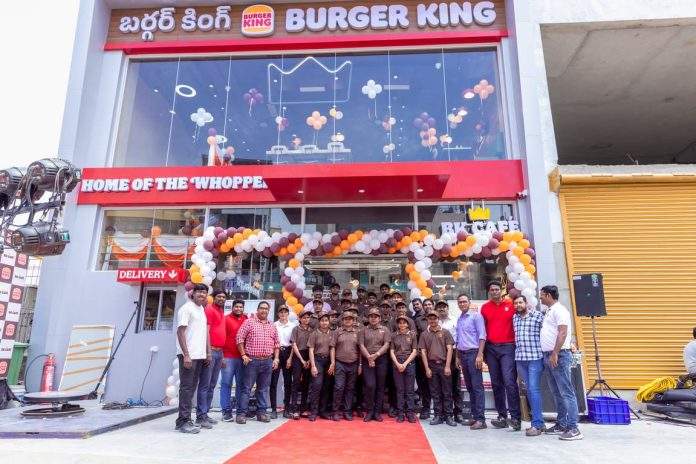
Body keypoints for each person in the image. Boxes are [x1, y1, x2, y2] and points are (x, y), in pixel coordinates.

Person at [539, 285, 583, 441]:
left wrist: (555, 353)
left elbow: (562, 332)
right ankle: (561, 424)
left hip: (559, 356)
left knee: (566, 392)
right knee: (556, 392)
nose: (540, 297)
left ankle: (574, 428)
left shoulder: (560, 310)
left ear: (549, 295)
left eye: (542, 295)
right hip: (549, 355)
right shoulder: (549, 310)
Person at [480, 280, 521, 430]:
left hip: (508, 347)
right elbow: (483, 329)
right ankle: (502, 416)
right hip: (491, 348)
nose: (494, 292)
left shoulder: (511, 305)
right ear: (489, 292)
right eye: (492, 290)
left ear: (501, 290)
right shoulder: (484, 308)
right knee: (496, 383)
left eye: (497, 289)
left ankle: (515, 418)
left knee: (509, 382)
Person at [235, 301, 280, 424]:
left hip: (267, 361)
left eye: (266, 309)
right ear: (258, 309)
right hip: (252, 361)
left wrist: (276, 358)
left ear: (268, 311)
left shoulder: (272, 325)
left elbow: (277, 344)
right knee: (246, 388)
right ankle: (241, 414)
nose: (264, 310)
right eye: (262, 308)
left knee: (263, 389)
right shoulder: (249, 322)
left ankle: (261, 413)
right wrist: (243, 355)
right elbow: (239, 338)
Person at [175, 284, 210, 434]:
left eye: (204, 292)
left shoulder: (201, 309)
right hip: (188, 356)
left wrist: (206, 353)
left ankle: (187, 419)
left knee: (191, 389)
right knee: (186, 388)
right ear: (193, 293)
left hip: (199, 356)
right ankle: (182, 421)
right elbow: (180, 331)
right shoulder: (186, 309)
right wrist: (186, 355)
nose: (202, 295)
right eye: (199, 292)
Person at [511, 295, 545, 436]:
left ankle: (536, 424)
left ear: (526, 303)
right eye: (516, 303)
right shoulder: (515, 318)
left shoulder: (538, 316)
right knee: (529, 390)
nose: (518, 305)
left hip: (535, 358)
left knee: (533, 389)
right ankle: (539, 422)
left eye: (520, 302)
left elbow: (548, 333)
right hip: (520, 359)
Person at [455, 293, 487, 430]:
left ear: (469, 302)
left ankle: (481, 419)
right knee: (470, 387)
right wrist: (457, 357)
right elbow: (458, 339)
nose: (462, 304)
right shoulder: (460, 319)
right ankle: (474, 416)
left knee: (477, 387)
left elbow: (482, 336)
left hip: (474, 354)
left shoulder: (476, 316)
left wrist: (480, 355)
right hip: (463, 355)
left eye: (464, 301)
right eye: (460, 302)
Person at [419, 310, 457, 426]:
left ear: (438, 319)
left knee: (447, 392)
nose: (432, 320)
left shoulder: (445, 332)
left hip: (444, 365)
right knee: (435, 392)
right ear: (427, 320)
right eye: (430, 318)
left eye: (434, 318)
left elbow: (450, 349)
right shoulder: (424, 334)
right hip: (432, 365)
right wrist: (427, 368)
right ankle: (438, 415)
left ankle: (449, 415)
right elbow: (423, 352)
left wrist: (447, 366)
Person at [196, 289, 226, 428]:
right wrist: (208, 352)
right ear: (213, 298)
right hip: (211, 352)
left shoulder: (221, 311)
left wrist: (222, 355)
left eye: (223, 297)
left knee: (212, 385)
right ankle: (200, 416)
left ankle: (205, 414)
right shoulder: (209, 309)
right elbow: (206, 331)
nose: (221, 299)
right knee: (205, 385)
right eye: (219, 296)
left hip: (219, 352)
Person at [359, 307, 391, 422]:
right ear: (368, 318)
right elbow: (361, 345)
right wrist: (369, 357)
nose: (373, 318)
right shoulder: (363, 330)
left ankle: (377, 412)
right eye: (371, 316)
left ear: (380, 318)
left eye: (376, 317)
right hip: (367, 359)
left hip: (381, 359)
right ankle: (369, 411)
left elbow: (386, 344)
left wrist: (376, 355)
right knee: (370, 385)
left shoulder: (385, 329)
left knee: (380, 386)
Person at [436, 300, 464, 423]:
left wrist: (458, 357)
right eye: (439, 307)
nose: (442, 309)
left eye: (444, 307)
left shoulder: (455, 320)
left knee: (456, 386)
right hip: (440, 356)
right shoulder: (434, 322)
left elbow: (459, 339)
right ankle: (443, 413)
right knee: (442, 386)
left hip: (454, 355)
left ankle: (458, 413)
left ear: (448, 308)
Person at [331, 312, 361, 421]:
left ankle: (347, 411)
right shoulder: (337, 332)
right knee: (339, 387)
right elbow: (332, 347)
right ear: (342, 320)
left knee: (350, 388)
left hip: (353, 363)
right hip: (340, 363)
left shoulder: (358, 332)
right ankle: (335, 411)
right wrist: (333, 362)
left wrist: (360, 364)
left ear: (353, 320)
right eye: (345, 319)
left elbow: (360, 349)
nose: (348, 320)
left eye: (350, 319)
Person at [221, 299, 247, 422]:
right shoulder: (226, 319)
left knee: (241, 385)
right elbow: (221, 337)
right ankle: (226, 411)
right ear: (232, 307)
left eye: (241, 307)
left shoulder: (246, 319)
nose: (238, 309)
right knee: (226, 384)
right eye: (236, 306)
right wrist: (221, 356)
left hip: (242, 357)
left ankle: (240, 411)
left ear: (243, 308)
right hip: (228, 357)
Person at [390, 314, 418, 423]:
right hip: (397, 363)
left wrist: (405, 364)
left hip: (409, 363)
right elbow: (392, 351)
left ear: (407, 324)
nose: (402, 325)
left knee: (409, 390)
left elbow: (414, 351)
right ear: (397, 324)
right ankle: (400, 413)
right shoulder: (394, 335)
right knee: (400, 390)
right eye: (400, 323)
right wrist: (397, 364)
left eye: (404, 323)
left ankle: (410, 413)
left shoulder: (412, 335)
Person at [308, 313, 335, 421]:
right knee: (317, 385)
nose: (324, 322)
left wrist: (332, 363)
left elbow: (332, 348)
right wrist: (313, 366)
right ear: (319, 322)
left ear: (329, 322)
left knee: (326, 386)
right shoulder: (314, 334)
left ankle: (323, 411)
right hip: (317, 360)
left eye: (326, 320)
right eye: (322, 320)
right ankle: (313, 412)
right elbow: (311, 350)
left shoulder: (332, 333)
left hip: (328, 361)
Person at [270, 305, 294, 419]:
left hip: (288, 353)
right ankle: (273, 409)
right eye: (281, 312)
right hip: (276, 352)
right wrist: (275, 356)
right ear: (278, 314)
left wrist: (290, 358)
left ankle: (287, 409)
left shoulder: (293, 326)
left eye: (285, 312)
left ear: (288, 314)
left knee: (288, 382)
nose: (283, 314)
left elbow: (294, 344)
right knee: (273, 382)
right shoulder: (273, 325)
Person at [290, 309, 313, 419]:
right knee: (296, 382)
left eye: (308, 317)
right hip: (298, 355)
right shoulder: (296, 329)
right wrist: (302, 360)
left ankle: (303, 409)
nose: (306, 319)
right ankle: (294, 409)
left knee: (306, 383)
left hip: (308, 355)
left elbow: (313, 346)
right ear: (300, 319)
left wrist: (309, 360)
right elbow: (294, 345)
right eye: (304, 317)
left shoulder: (312, 330)